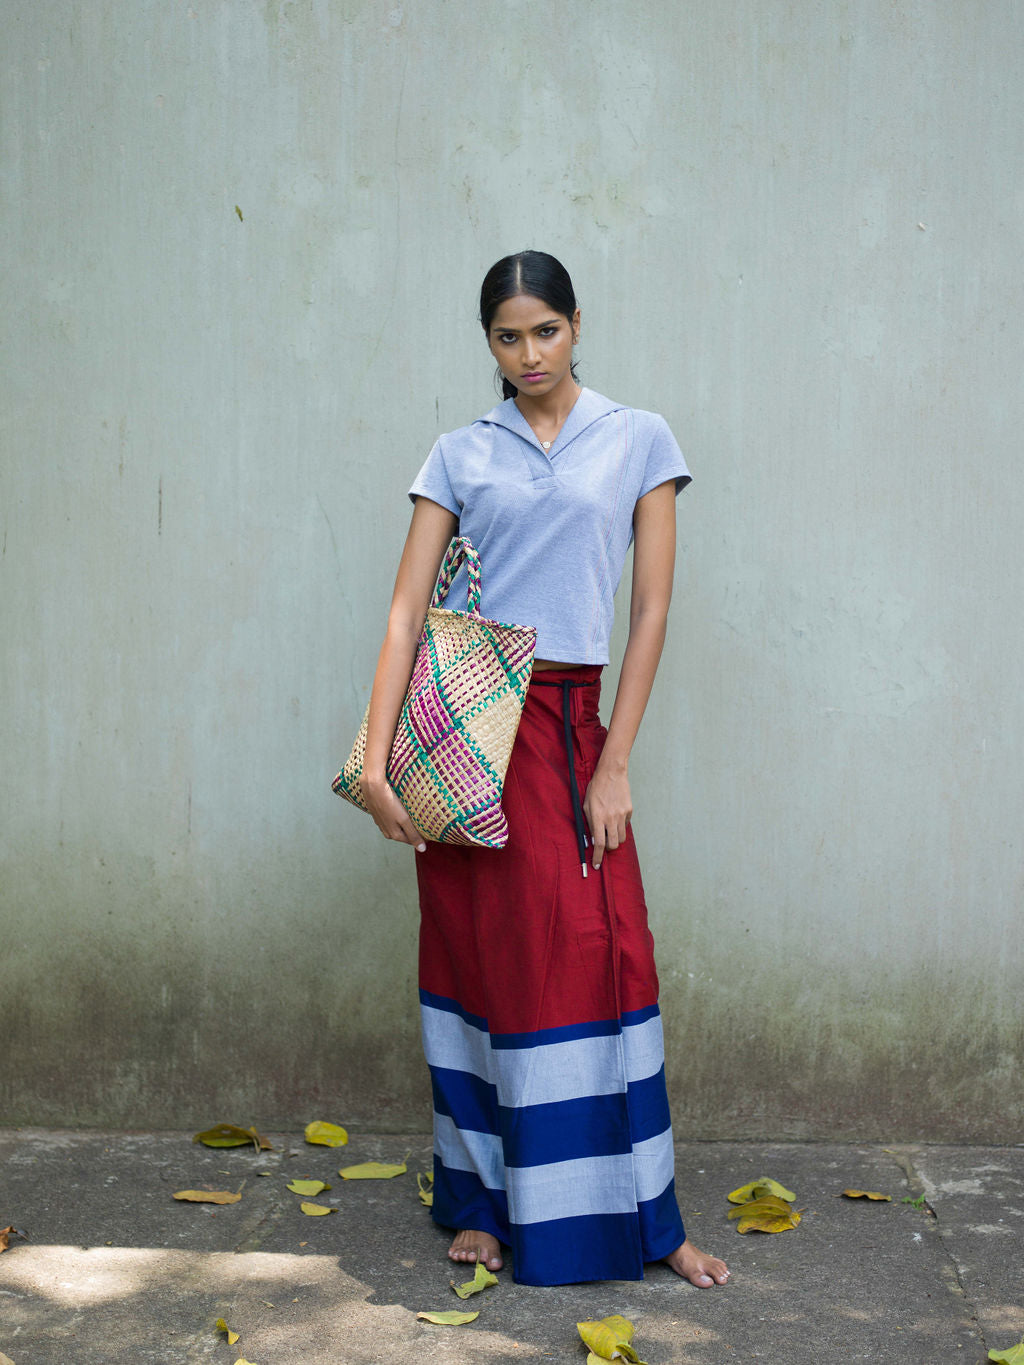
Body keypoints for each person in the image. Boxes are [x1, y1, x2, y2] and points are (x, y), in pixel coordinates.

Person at [359, 250, 730, 1290]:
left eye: (545, 331)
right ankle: (479, 1202)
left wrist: (614, 764)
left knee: (603, 959)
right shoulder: (459, 454)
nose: (528, 354)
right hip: (467, 736)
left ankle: (647, 1219)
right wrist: (378, 760)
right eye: (507, 337)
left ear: (577, 324)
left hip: (569, 728)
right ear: (489, 344)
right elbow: (404, 612)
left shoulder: (637, 440)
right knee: (478, 962)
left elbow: (650, 610)